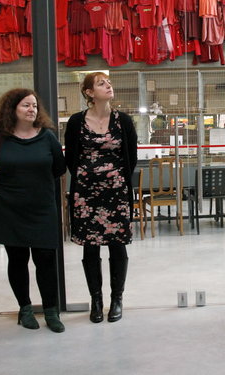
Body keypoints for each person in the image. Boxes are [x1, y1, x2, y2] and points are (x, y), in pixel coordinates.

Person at [65, 72, 138, 324]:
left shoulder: (123, 121)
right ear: (88, 92)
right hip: (86, 194)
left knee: (117, 245)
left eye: (108, 82)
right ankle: (96, 300)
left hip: (116, 193)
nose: (108, 86)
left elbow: (131, 157)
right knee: (90, 247)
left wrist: (114, 179)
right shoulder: (76, 122)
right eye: (100, 83)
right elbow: (71, 158)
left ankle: (116, 299)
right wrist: (89, 178)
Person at [0, 88, 66, 333]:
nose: (32, 109)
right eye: (26, 105)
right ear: (12, 109)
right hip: (9, 208)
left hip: (42, 208)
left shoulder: (47, 137)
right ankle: (25, 309)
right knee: (18, 259)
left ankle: (51, 311)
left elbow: (59, 168)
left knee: (46, 259)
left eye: (34, 105)